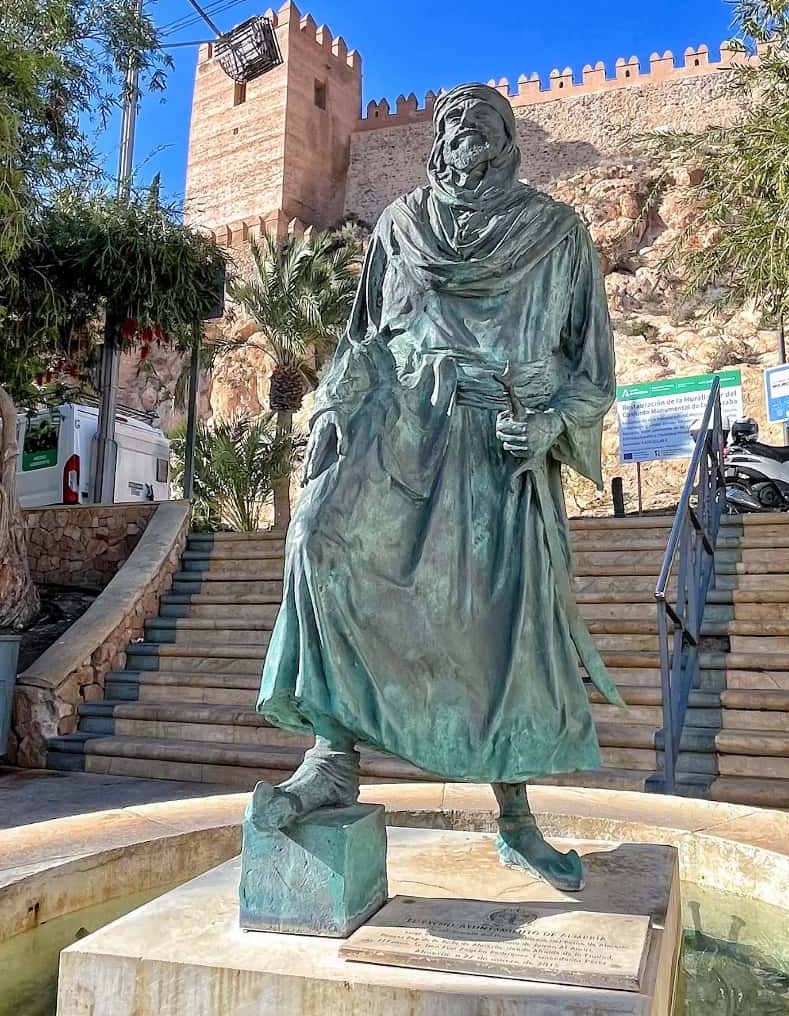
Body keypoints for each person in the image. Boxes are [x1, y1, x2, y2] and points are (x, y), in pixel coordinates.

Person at [251, 82, 618, 891]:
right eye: (450, 121)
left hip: (500, 446)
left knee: (500, 629)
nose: (463, 131)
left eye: (481, 121)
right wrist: (326, 416)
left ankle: (516, 818)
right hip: (400, 434)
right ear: (435, 141)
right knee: (316, 541)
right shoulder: (399, 225)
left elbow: (592, 372)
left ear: (507, 140)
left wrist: (554, 423)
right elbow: (360, 343)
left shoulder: (557, 233)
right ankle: (331, 756)